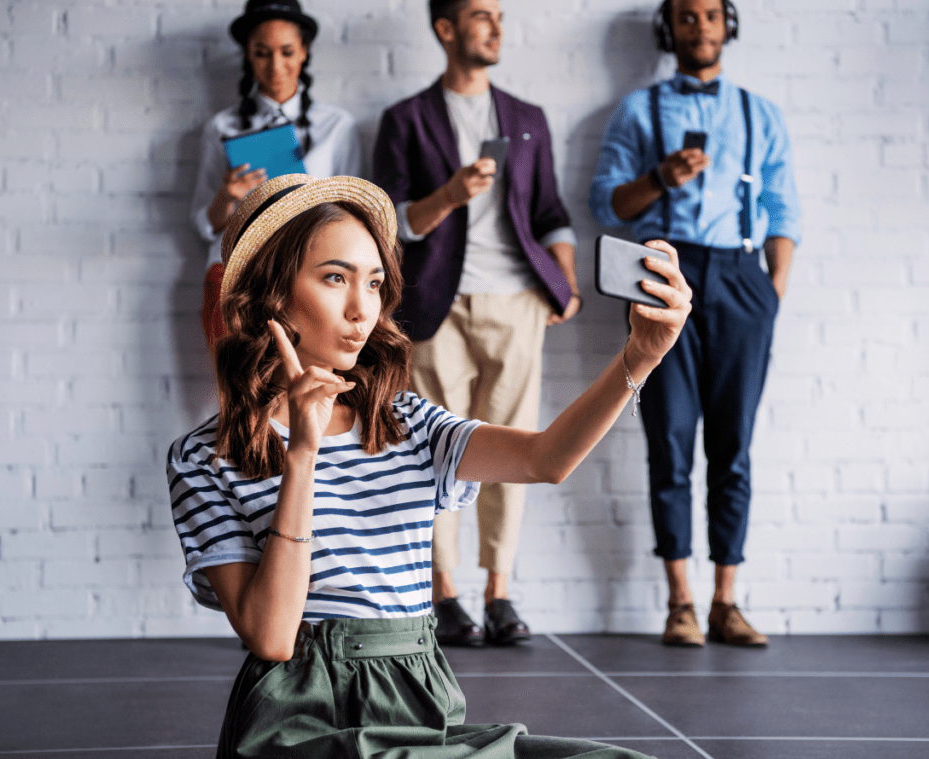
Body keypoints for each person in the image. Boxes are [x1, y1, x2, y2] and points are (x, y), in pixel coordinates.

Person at [167, 173, 690, 757]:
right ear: (275, 294)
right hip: (302, 720)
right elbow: (271, 635)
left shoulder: (409, 424)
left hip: (420, 705)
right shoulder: (205, 458)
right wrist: (302, 458)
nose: (362, 309)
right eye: (334, 278)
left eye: (373, 282)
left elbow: (547, 458)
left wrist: (640, 357)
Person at [589, 0, 801, 648]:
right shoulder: (636, 110)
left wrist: (770, 295)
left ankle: (725, 600)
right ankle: (680, 600)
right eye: (686, 16)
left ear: (726, 25)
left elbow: (783, 208)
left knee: (732, 446)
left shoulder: (760, 113)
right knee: (670, 438)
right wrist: (660, 177)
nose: (700, 26)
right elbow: (608, 202)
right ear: (670, 29)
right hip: (663, 271)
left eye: (710, 14)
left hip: (742, 279)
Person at [372, 0, 580, 646]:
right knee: (438, 451)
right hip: (433, 305)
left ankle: (499, 591)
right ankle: (443, 593)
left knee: (513, 447)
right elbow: (389, 221)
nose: (494, 26)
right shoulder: (404, 118)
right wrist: (451, 195)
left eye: (499, 15)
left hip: (518, 300)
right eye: (480, 14)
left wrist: (564, 281)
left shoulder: (527, 118)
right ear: (445, 28)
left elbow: (550, 210)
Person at [190, 0, 361, 350]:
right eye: (262, 53)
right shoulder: (221, 128)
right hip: (236, 274)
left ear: (304, 52)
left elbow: (354, 217)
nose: (276, 66)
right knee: (240, 391)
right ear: (248, 56)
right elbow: (202, 223)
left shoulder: (337, 126)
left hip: (308, 273)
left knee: (303, 386)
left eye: (287, 52)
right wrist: (227, 197)